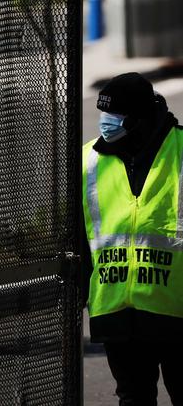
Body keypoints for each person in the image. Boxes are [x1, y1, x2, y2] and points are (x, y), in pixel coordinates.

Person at [82, 72, 183, 406]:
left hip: (174, 309)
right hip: (117, 312)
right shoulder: (89, 160)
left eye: (115, 117)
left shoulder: (180, 150)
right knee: (134, 397)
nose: (106, 124)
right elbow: (81, 236)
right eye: (104, 115)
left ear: (141, 119)